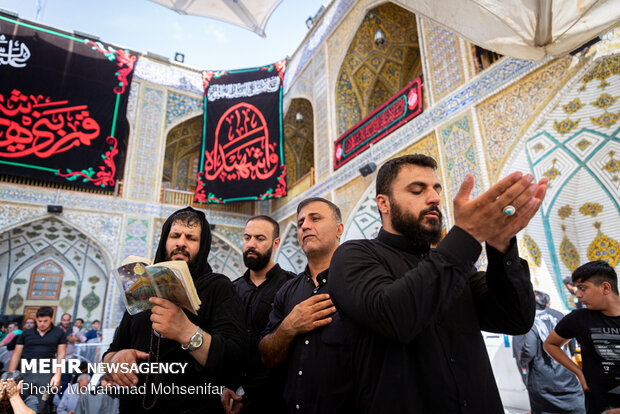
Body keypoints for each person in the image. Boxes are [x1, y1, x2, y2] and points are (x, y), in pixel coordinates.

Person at [328, 154, 548, 413]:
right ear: (384, 203)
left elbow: (516, 319)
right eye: (417, 190)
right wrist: (467, 236)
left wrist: (501, 247)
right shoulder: (354, 255)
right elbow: (394, 316)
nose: (433, 198)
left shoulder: (454, 267)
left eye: (436, 189)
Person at [103, 206, 246, 413]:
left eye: (191, 238)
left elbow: (235, 361)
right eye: (175, 235)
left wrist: (186, 332)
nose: (181, 243)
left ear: (203, 245)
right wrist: (116, 360)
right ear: (164, 240)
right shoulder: (141, 288)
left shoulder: (218, 288)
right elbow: (110, 353)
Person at [259, 198, 353, 413]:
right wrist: (289, 327)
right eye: (300, 222)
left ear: (339, 229)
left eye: (315, 218)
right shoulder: (287, 291)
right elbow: (267, 357)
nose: (305, 226)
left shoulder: (357, 283)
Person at [221, 216, 295, 414]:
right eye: (247, 238)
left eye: (260, 238)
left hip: (275, 399)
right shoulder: (230, 290)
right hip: (231, 398)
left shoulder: (291, 287)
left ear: (276, 243)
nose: (251, 244)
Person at [544, 260, 620, 414]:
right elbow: (550, 344)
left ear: (605, 287)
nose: (578, 294)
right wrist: (579, 372)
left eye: (582, 288)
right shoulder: (578, 318)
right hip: (598, 405)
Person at [515, 290, 584, 413]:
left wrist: (522, 358)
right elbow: (572, 345)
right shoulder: (559, 315)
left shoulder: (530, 321)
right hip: (566, 375)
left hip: (542, 378)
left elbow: (529, 351)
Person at [9, 306, 67, 413]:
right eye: (39, 321)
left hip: (47, 372)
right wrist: (10, 376)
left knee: (42, 404)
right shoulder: (26, 333)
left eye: (45, 321)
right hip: (27, 372)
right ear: (36, 319)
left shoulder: (59, 333)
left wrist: (58, 374)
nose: (42, 324)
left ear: (51, 319)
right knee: (19, 401)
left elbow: (61, 355)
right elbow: (16, 355)